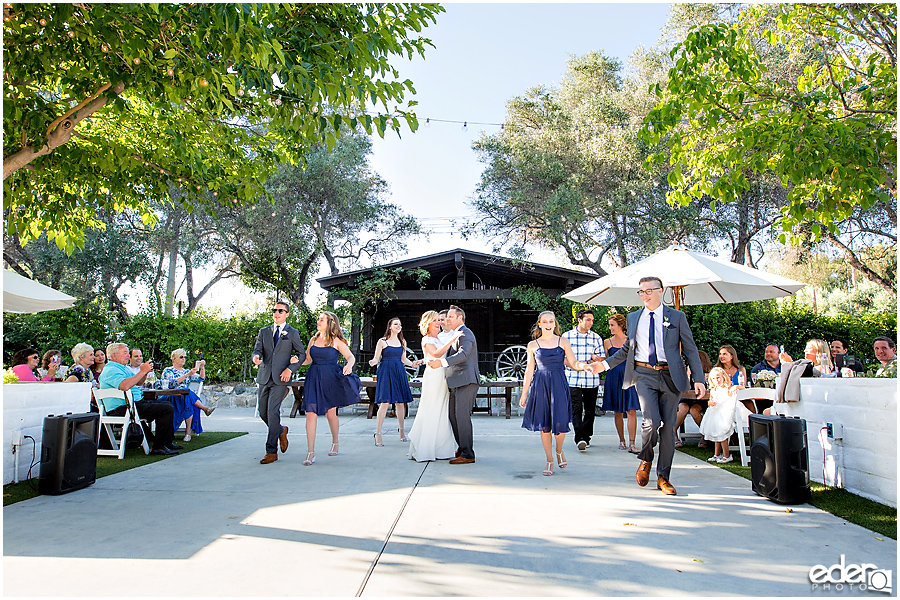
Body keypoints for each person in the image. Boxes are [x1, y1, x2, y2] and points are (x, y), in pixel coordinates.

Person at [597, 276, 706, 496]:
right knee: (651, 420)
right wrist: (604, 365)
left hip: (670, 376)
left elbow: (691, 349)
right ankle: (646, 459)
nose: (645, 295)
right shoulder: (634, 317)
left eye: (649, 290)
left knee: (668, 428)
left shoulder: (676, 316)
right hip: (644, 373)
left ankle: (663, 477)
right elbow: (627, 349)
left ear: (660, 291)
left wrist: (699, 379)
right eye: (641, 292)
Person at [520, 311, 594, 476]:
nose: (548, 324)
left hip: (559, 384)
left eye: (551, 321)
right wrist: (524, 393)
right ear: (539, 324)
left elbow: (573, 363)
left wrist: (585, 366)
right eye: (545, 322)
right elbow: (529, 370)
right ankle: (549, 459)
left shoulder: (563, 342)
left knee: (560, 424)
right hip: (541, 386)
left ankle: (559, 450)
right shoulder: (532, 345)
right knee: (544, 426)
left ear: (555, 324)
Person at [298, 311, 360, 466]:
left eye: (321, 320)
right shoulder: (313, 340)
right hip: (314, 378)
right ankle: (310, 452)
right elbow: (307, 359)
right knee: (310, 413)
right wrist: (295, 362)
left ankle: (335, 441)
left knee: (330, 414)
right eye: (319, 319)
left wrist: (349, 366)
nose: (318, 322)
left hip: (331, 379)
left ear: (330, 323)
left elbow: (350, 357)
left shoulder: (336, 341)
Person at [98, 342, 179, 455]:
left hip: (132, 404)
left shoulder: (122, 368)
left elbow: (138, 382)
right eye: (125, 353)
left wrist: (145, 372)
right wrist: (142, 371)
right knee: (166, 408)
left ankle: (166, 443)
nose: (128, 355)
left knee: (165, 404)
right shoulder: (111, 370)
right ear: (114, 356)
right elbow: (125, 386)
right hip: (123, 408)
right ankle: (159, 447)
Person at [251, 301, 307, 465]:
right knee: (263, 412)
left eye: (280, 310)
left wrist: (290, 369)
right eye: (275, 310)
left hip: (281, 379)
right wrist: (255, 356)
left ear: (287, 314)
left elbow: (301, 354)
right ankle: (281, 430)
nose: (277, 313)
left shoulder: (292, 333)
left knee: (273, 411)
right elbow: (257, 349)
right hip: (264, 376)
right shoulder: (264, 331)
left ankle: (271, 451)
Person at [407, 310, 463, 462]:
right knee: (431, 408)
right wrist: (452, 340)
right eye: (435, 321)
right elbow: (436, 354)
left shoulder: (438, 338)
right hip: (433, 377)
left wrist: (423, 360)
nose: (439, 323)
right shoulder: (426, 340)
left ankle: (441, 449)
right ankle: (425, 448)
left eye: (439, 320)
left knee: (442, 411)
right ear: (428, 324)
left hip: (443, 377)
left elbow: (431, 357)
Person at [427, 305, 479, 465]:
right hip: (456, 382)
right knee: (453, 416)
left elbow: (463, 355)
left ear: (460, 318)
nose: (446, 319)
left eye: (450, 317)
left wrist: (441, 362)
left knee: (462, 417)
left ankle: (468, 453)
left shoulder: (465, 334)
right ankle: (462, 448)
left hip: (466, 380)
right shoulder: (456, 335)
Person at [369, 317, 417, 445]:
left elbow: (403, 359)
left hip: (399, 371)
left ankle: (401, 431)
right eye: (396, 324)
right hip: (385, 371)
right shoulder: (382, 341)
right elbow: (376, 357)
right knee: (385, 402)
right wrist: (373, 362)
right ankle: (378, 434)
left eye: (400, 324)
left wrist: (412, 364)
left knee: (400, 403)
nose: (398, 326)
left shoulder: (402, 342)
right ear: (390, 326)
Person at [563, 308, 605, 451]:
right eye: (588, 320)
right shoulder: (567, 336)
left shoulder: (596, 337)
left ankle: (587, 436)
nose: (590, 323)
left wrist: (596, 358)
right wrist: (576, 366)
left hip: (591, 379)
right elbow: (563, 358)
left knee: (590, 409)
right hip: (573, 378)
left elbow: (602, 358)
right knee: (576, 408)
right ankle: (579, 437)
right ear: (579, 320)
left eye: (592, 320)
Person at [601, 313, 640, 453]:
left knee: (631, 410)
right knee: (617, 411)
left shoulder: (631, 340)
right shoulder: (607, 342)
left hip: (629, 375)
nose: (610, 327)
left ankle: (632, 442)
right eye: (610, 325)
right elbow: (603, 360)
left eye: (612, 325)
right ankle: (621, 440)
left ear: (621, 325)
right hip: (613, 376)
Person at [161, 348, 216, 442]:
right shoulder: (168, 370)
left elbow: (201, 379)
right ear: (173, 359)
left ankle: (188, 432)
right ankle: (203, 410)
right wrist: (187, 375)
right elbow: (170, 384)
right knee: (187, 393)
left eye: (185, 357)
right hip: (171, 396)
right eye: (181, 357)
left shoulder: (186, 370)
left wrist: (202, 367)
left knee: (187, 396)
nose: (183, 359)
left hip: (184, 397)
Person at [699, 367, 750, 464]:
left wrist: (736, 387)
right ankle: (717, 454)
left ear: (723, 377)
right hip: (715, 413)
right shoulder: (713, 390)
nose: (716, 380)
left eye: (718, 377)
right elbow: (711, 400)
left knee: (721, 433)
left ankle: (727, 455)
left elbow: (743, 388)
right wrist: (710, 403)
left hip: (726, 413)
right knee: (716, 434)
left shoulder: (728, 388)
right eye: (714, 378)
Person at [676, 349, 713, 448]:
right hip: (686, 398)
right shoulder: (689, 370)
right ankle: (673, 433)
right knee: (683, 408)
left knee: (694, 410)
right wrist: (688, 374)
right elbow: (684, 386)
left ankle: (705, 434)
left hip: (701, 400)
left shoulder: (709, 372)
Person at [715, 345, 752, 412]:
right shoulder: (717, 370)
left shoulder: (741, 369)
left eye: (724, 354)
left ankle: (753, 421)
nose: (721, 356)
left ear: (732, 356)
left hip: (739, 396)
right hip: (723, 397)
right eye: (720, 354)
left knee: (749, 403)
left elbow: (743, 386)